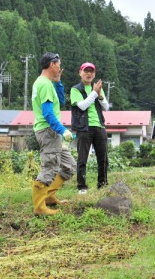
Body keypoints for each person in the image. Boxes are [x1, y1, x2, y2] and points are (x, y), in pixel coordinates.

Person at [31, 52, 76, 215]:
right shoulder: (44, 84)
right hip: (49, 131)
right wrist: (63, 130)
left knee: (68, 166)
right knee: (49, 167)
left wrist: (58, 83)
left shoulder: (47, 83)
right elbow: (48, 113)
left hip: (52, 132)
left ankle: (49, 197)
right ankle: (39, 207)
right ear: (52, 64)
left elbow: (61, 102)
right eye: (59, 64)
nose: (60, 68)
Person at [71, 62, 110, 194]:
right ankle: (82, 187)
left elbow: (106, 107)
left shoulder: (98, 88)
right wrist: (94, 93)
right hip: (84, 128)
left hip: (99, 126)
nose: (89, 74)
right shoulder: (76, 89)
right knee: (82, 158)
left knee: (103, 158)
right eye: (86, 71)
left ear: (94, 74)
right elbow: (82, 106)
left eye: (91, 71)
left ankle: (102, 184)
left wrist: (99, 95)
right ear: (80, 72)